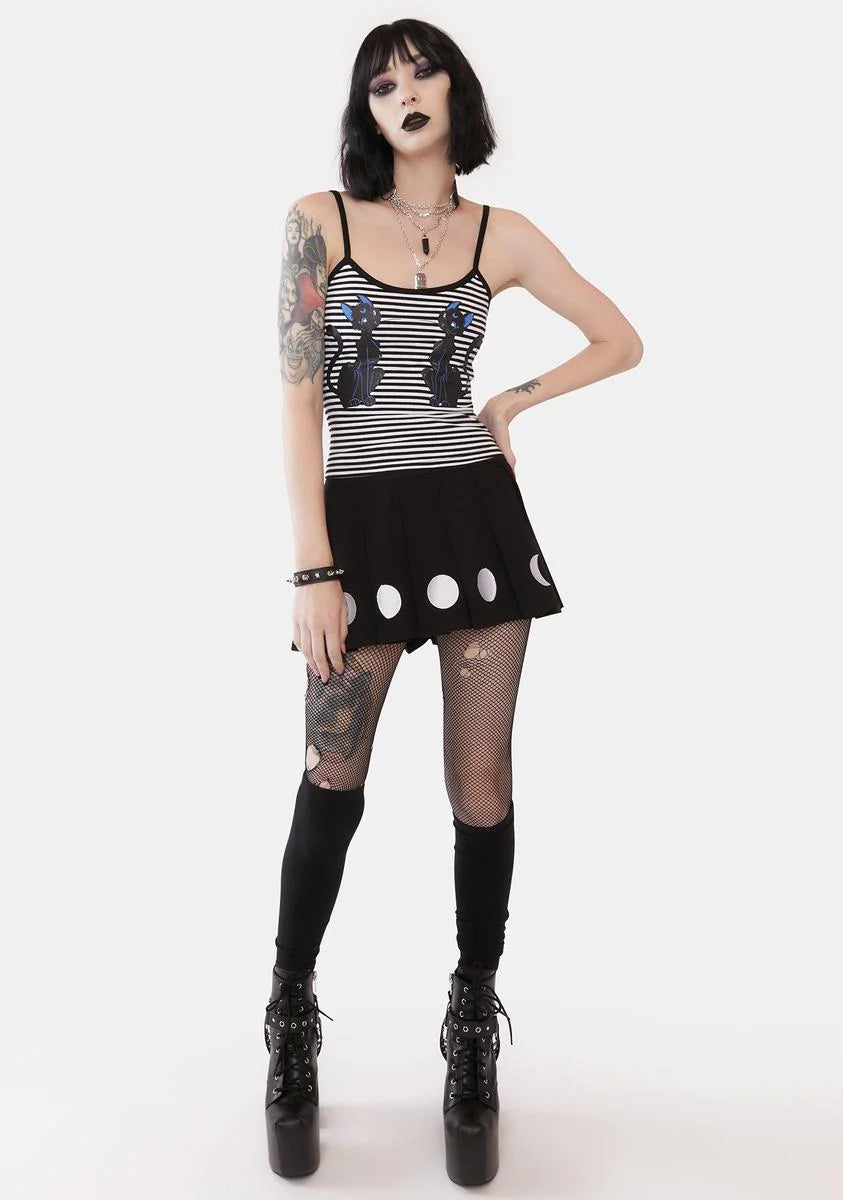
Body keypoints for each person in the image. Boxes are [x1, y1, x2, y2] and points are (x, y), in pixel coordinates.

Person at [265, 17, 643, 1186]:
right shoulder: (320, 223)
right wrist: (314, 568)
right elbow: (298, 402)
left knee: (481, 789)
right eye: (383, 83)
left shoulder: (501, 234)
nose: (406, 93)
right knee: (334, 775)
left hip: (475, 524)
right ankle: (290, 1012)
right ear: (366, 111)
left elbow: (620, 339)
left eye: (423, 72)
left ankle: (472, 1020)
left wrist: (512, 401)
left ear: (457, 94)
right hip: (358, 534)